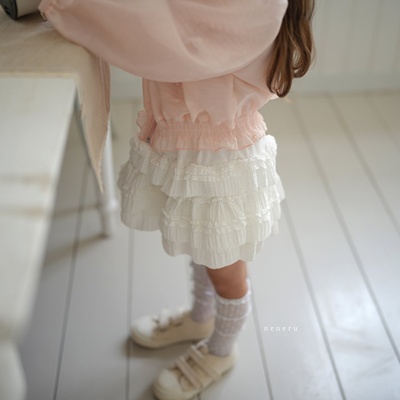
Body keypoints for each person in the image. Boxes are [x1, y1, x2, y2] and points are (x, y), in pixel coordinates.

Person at [39, 0, 315, 398]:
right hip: (189, 139)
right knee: (204, 246)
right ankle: (201, 318)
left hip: (221, 153)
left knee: (225, 269)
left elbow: (166, 33)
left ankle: (221, 350)